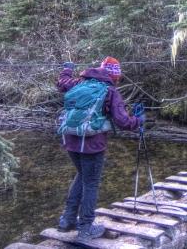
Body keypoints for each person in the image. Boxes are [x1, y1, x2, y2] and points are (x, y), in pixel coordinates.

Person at [56, 57, 143, 243]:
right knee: (91, 183)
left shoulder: (79, 82)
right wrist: (139, 121)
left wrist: (67, 69)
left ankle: (67, 221)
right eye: (117, 77)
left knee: (81, 176)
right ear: (114, 76)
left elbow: (62, 83)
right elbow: (123, 122)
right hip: (92, 145)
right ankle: (86, 228)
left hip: (70, 139)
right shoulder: (110, 91)